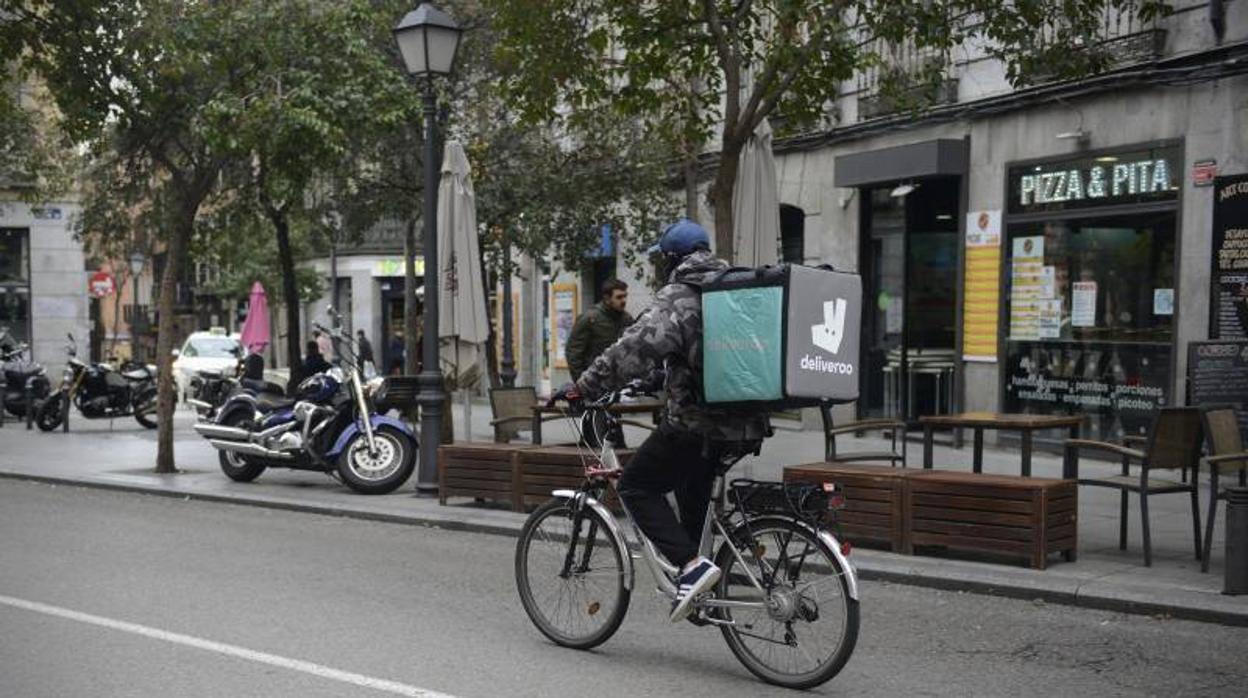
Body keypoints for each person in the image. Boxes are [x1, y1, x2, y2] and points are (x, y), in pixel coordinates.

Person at [557, 219, 770, 623]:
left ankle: (692, 569)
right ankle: (699, 589)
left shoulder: (681, 295)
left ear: (671, 258)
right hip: (748, 420)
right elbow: (703, 353)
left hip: (698, 421)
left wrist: (583, 388)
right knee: (692, 486)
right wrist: (656, 379)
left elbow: (633, 349)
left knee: (637, 487)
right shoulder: (734, 290)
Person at [565, 278, 633, 382]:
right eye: (619, 297)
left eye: (625, 296)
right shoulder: (590, 319)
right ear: (607, 298)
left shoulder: (627, 319)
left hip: (619, 383)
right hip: (595, 382)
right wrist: (582, 382)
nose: (624, 301)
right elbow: (573, 353)